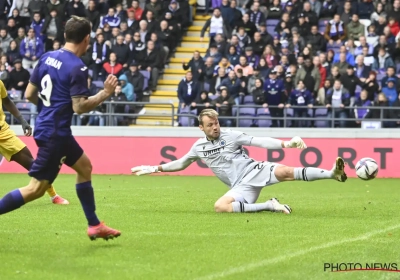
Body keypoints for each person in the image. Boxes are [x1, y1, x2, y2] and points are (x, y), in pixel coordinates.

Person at [0, 16, 121, 240]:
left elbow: (28, 94)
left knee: (85, 167)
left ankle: (94, 224)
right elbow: (80, 106)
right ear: (87, 39)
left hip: (50, 128)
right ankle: (94, 224)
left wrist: (50, 108)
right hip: (56, 133)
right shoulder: (77, 67)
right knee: (35, 189)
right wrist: (105, 93)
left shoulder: (46, 57)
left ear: (65, 35)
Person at [131, 109, 348, 213]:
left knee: (285, 172)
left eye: (216, 123)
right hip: (240, 186)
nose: (215, 127)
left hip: (255, 169)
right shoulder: (198, 147)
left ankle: (332, 174)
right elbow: (180, 163)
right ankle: (270, 206)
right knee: (220, 207)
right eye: (210, 125)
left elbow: (259, 141)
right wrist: (155, 168)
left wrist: (286, 144)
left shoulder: (231, 135)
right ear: (201, 128)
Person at [0, 81, 69, 205]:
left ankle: (54, 196)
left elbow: (7, 101)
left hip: (3, 133)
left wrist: (22, 120)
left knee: (33, 164)